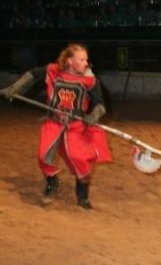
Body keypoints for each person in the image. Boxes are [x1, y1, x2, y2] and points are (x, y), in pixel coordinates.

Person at [0, 43, 112, 209]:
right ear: (69, 60)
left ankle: (83, 197)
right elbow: (32, 74)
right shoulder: (53, 70)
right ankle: (52, 183)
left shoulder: (89, 80)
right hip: (54, 122)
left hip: (76, 126)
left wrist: (93, 116)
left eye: (86, 60)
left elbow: (101, 105)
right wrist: (14, 88)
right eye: (81, 59)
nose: (86, 63)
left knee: (81, 160)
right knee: (43, 156)